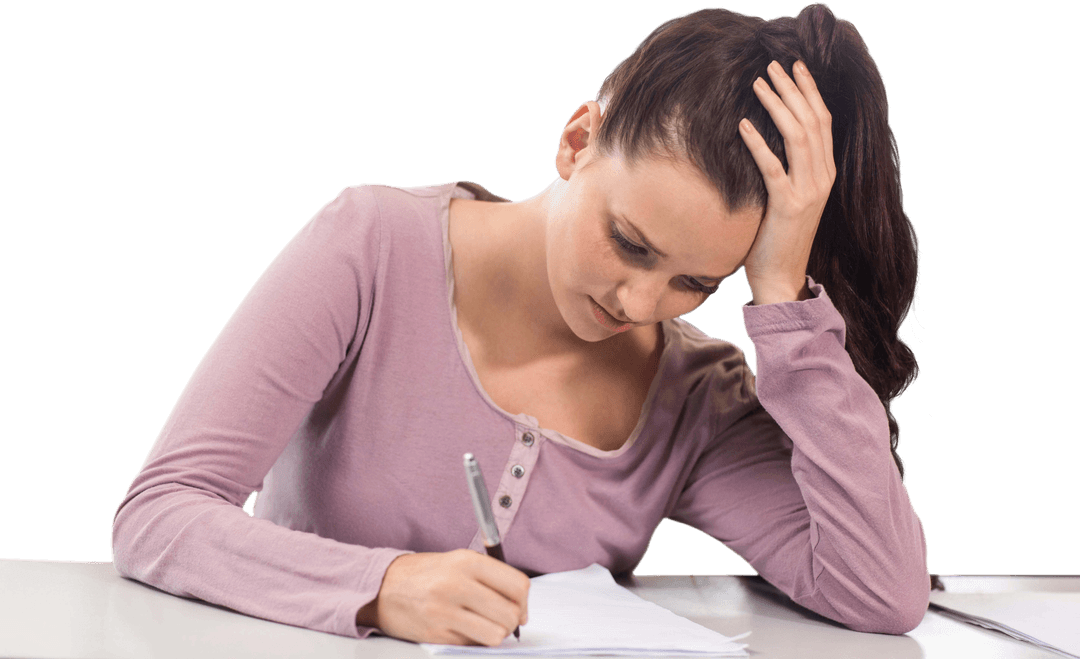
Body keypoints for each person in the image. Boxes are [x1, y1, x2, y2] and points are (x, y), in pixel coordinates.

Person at [111, 2, 933, 647]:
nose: (638, 305)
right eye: (628, 242)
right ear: (578, 139)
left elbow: (882, 590)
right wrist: (384, 587)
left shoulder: (695, 401)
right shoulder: (372, 248)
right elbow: (158, 514)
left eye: (696, 282)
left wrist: (785, 300)